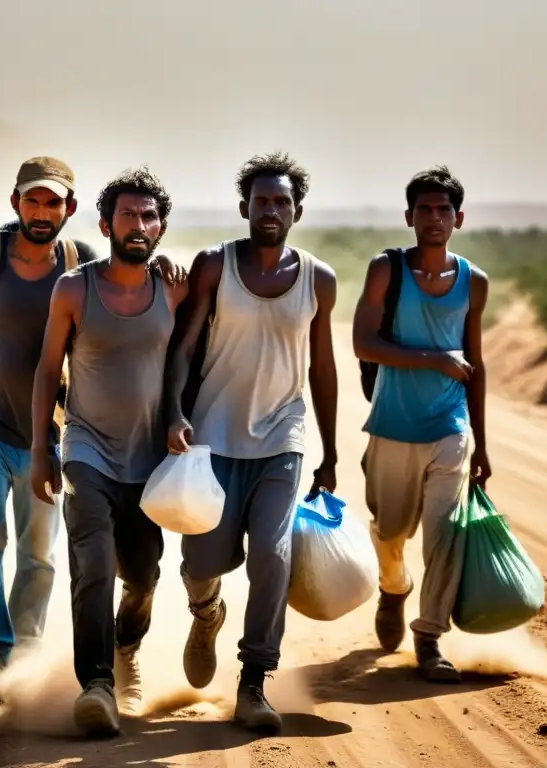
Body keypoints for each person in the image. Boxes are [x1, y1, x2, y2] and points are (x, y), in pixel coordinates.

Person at [0, 157, 184, 706]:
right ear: (15, 202)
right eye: (32, 200)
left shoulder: (78, 262)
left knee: (40, 552)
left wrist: (162, 266)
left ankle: (26, 649)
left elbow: (124, 279)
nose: (42, 212)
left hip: (51, 429)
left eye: (53, 202)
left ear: (71, 210)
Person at [163, 151, 338, 733]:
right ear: (244, 208)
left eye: (281, 201)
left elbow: (322, 368)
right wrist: (175, 413)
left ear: (298, 210)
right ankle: (205, 611)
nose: (271, 210)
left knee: (272, 554)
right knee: (200, 563)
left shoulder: (319, 279)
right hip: (212, 439)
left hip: (282, 439)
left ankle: (253, 681)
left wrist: (330, 453)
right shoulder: (215, 265)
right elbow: (184, 345)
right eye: (261, 201)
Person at [31, 167, 188, 737]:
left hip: (150, 463)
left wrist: (178, 419)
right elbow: (48, 371)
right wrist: (40, 451)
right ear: (104, 223)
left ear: (161, 226)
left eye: (149, 216)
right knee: (91, 564)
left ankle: (128, 646)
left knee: (144, 575)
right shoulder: (75, 287)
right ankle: (96, 685)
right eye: (127, 215)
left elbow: (188, 362)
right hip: (86, 451)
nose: (139, 225)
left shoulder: (176, 286)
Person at [352, 165, 489, 683]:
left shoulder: (473, 281)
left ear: (459, 218)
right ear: (409, 217)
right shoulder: (387, 270)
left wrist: (483, 445)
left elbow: (475, 364)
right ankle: (393, 587)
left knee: (444, 538)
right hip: (391, 424)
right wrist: (434, 358)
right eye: (425, 209)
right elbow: (364, 343)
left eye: (444, 210)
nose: (434, 218)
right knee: (390, 533)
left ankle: (428, 638)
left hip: (451, 428)